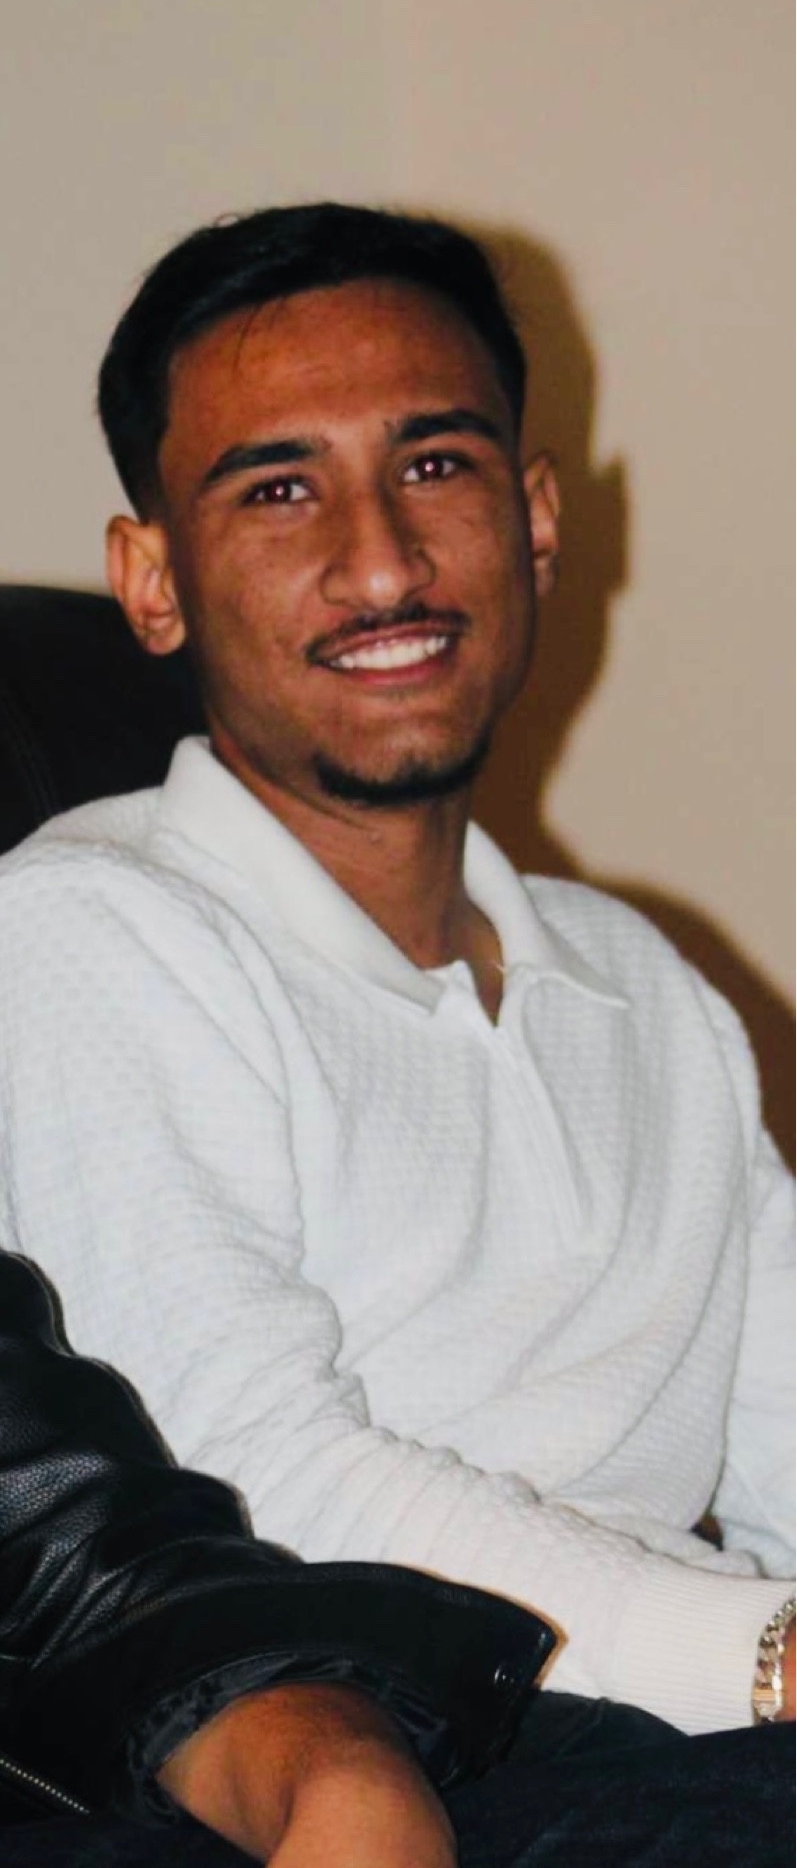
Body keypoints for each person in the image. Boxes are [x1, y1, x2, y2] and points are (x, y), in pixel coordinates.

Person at [0, 203, 792, 1742]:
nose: (380, 563)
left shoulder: (644, 986)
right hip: (368, 1735)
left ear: (537, 517)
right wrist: (757, 1656)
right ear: (151, 581)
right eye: (278, 489)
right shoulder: (89, 932)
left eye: (434, 466)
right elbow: (245, 1476)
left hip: (678, 1730)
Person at [0, 1249, 792, 1868]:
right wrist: (756, 1656)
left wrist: (347, 1784)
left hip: (374, 1711)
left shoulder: (700, 1068)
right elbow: (264, 1451)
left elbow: (94, 1580)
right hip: (481, 1678)